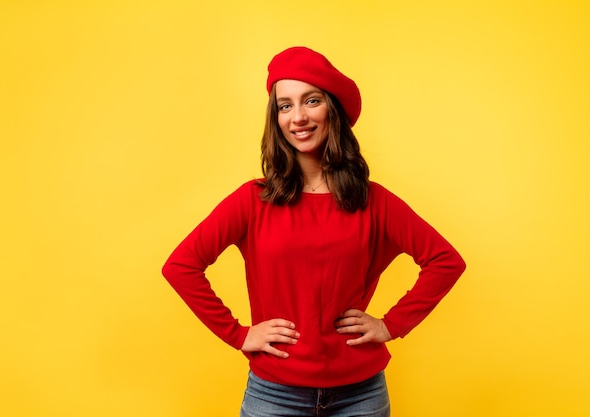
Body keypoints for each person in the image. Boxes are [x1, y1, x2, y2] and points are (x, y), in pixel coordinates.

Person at [162, 46, 466, 417]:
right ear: (275, 119)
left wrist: (391, 324)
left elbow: (445, 261)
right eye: (285, 106)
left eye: (311, 101)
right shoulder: (252, 200)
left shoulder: (375, 201)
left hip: (361, 394)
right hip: (274, 394)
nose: (299, 117)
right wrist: (239, 334)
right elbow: (181, 266)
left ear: (332, 110)